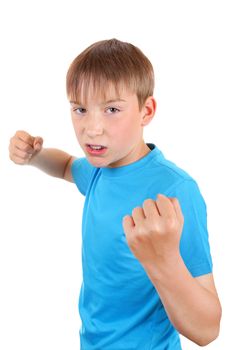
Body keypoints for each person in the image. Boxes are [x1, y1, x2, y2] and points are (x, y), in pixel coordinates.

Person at [9, 38, 221, 349]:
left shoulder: (176, 191)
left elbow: (207, 330)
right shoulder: (98, 168)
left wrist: (164, 260)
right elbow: (67, 165)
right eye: (80, 109)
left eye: (112, 109)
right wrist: (35, 156)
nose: (92, 128)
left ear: (146, 111)